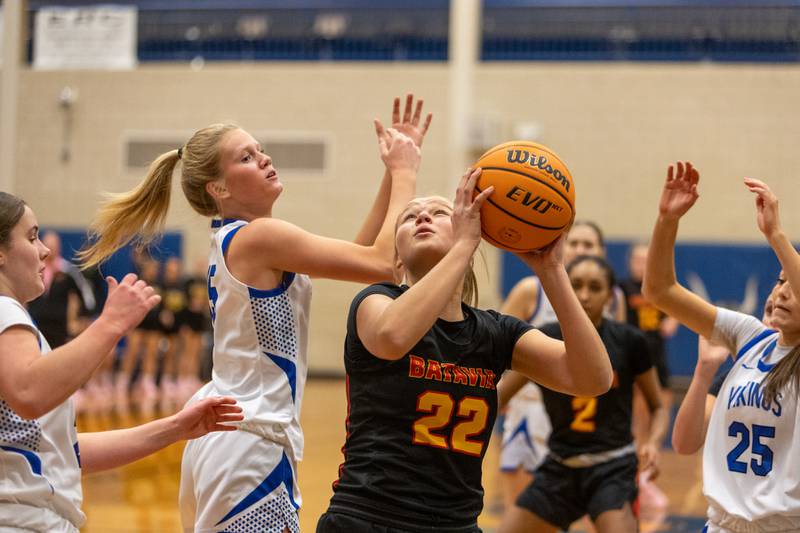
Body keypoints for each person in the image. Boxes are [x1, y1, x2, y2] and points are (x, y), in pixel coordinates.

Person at [79, 95, 428, 532]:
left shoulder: (243, 239)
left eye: (260, 150)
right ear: (219, 189)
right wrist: (406, 173)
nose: (264, 159)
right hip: (249, 446)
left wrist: (390, 173)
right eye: (246, 157)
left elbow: (361, 256)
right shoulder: (259, 238)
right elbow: (384, 263)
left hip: (232, 439)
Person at [317, 169, 612, 533]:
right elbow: (392, 337)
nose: (422, 217)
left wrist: (552, 271)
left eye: (440, 213)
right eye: (409, 217)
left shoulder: (495, 333)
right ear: (397, 261)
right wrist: (462, 246)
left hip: (456, 524)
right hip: (369, 518)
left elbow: (593, 379)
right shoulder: (375, 301)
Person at [0, 192, 243, 532]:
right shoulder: (4, 309)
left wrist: (175, 428)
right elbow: (29, 392)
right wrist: (111, 323)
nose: (44, 250)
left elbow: (65, 452)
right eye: (31, 237)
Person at [643, 162, 800, 532]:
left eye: (792, 284)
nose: (782, 292)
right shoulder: (750, 337)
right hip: (721, 525)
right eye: (779, 282)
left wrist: (776, 235)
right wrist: (667, 220)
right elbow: (660, 291)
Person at [496, 255, 667, 533]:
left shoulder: (630, 341)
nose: (584, 295)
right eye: (576, 285)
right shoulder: (543, 339)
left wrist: (654, 442)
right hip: (559, 465)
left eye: (595, 287)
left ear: (610, 296)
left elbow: (658, 406)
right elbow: (498, 396)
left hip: (613, 468)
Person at [498, 220, 625, 510]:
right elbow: (494, 345)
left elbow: (619, 357)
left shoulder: (613, 298)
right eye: (574, 243)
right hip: (531, 409)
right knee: (524, 508)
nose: (580, 249)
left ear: (602, 252)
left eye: (588, 244)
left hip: (585, 415)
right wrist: (499, 390)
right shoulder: (530, 290)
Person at [672, 293, 775, 455]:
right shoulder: (733, 379)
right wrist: (704, 371)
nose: (774, 321)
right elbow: (684, 445)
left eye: (785, 312)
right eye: (769, 311)